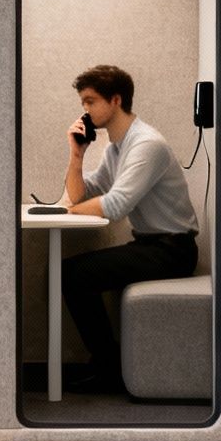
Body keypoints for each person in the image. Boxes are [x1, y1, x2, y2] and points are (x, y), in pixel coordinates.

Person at [56, 64, 198, 394]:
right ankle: (108, 363)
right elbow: (84, 192)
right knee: (70, 272)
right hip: (150, 245)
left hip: (172, 250)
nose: (85, 110)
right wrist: (76, 155)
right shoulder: (116, 147)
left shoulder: (146, 144)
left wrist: (70, 210)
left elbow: (116, 205)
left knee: (72, 274)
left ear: (115, 100)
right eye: (83, 103)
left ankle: (107, 368)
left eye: (90, 102)